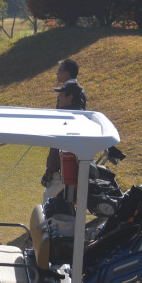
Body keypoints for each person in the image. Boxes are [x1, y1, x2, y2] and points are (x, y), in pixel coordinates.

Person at [42, 59, 88, 198]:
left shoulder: (67, 123)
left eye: (59, 70)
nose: (59, 97)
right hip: (65, 167)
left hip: (61, 170)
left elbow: (60, 149)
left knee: (49, 200)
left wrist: (50, 171)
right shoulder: (78, 90)